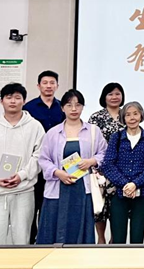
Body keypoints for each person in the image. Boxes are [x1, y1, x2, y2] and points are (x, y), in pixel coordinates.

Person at [0, 83, 45, 245]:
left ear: (24, 101)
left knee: (22, 239)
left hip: (24, 191)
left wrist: (22, 175)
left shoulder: (35, 127)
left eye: (17, 98)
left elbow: (39, 156)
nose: (13, 101)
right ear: (1, 101)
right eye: (8, 97)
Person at [37, 89, 107, 244]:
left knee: (80, 228)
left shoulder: (93, 131)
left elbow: (104, 153)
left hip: (83, 187)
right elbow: (43, 159)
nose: (74, 109)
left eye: (78, 105)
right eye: (69, 105)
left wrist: (91, 161)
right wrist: (57, 173)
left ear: (83, 107)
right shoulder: (53, 133)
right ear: (62, 108)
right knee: (53, 229)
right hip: (58, 187)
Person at [101, 101, 144, 244]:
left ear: (141, 116)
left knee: (137, 239)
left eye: (135, 114)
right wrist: (126, 184)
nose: (132, 118)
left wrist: (135, 184)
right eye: (128, 115)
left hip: (142, 193)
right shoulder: (116, 137)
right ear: (123, 118)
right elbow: (108, 165)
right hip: (119, 193)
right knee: (118, 239)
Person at [23, 70, 65, 243]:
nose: (49, 86)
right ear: (38, 86)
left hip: (57, 164)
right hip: (34, 161)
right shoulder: (28, 108)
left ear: (57, 86)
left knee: (51, 204)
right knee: (32, 204)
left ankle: (47, 239)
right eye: (45, 83)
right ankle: (31, 240)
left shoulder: (63, 107)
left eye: (52, 83)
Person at [87, 82, 126, 244]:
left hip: (123, 170)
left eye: (117, 94)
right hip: (101, 169)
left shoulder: (127, 114)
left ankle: (114, 239)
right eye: (110, 94)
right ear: (104, 97)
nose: (114, 97)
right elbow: (90, 142)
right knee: (100, 207)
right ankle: (101, 238)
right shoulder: (96, 117)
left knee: (118, 207)